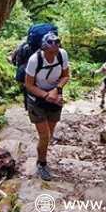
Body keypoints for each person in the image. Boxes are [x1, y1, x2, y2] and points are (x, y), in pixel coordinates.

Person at [24, 31, 70, 181]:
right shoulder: (34, 60)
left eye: (55, 51)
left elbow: (65, 75)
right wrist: (45, 95)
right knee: (45, 136)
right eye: (50, 52)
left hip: (55, 97)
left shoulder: (62, 55)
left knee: (49, 134)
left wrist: (56, 90)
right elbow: (28, 85)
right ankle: (41, 164)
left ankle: (42, 157)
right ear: (44, 49)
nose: (53, 54)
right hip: (36, 99)